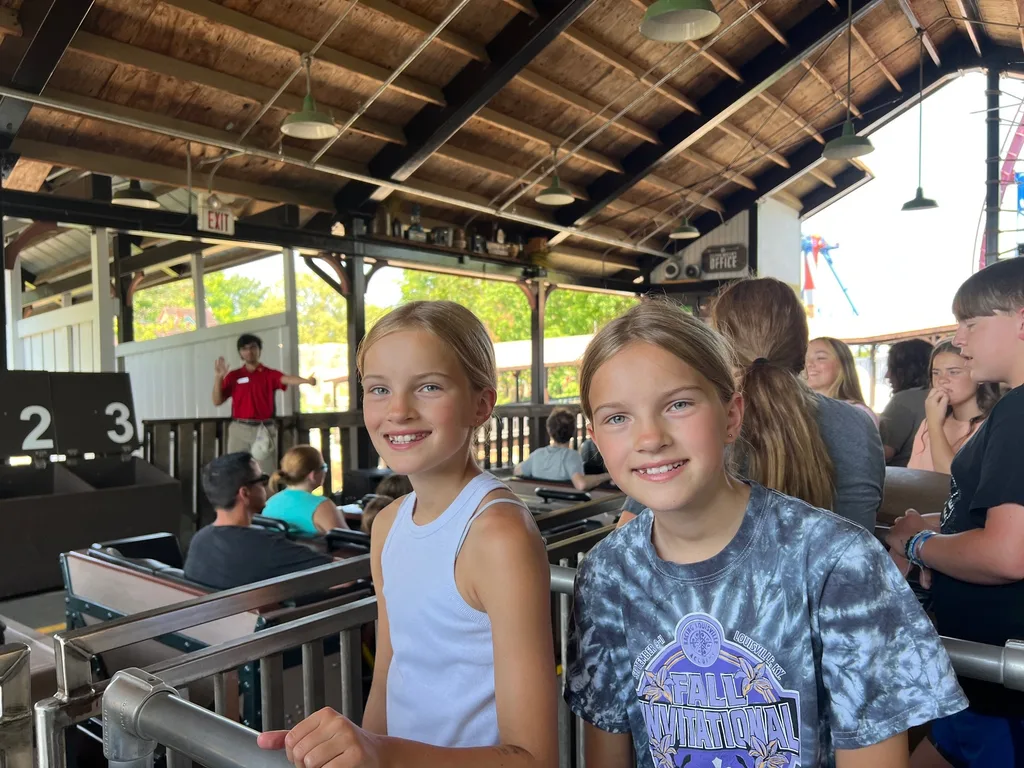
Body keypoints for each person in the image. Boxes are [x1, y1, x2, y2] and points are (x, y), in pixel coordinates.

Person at [566, 300, 966, 768]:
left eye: (678, 404)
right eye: (618, 418)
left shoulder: (839, 562)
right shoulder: (606, 574)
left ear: (732, 415)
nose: (650, 437)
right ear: (595, 436)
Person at [257, 301, 558, 768]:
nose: (398, 410)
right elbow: (390, 674)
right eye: (379, 389)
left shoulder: (498, 535)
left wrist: (381, 753)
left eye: (429, 387)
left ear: (481, 404)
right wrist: (360, 747)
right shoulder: (388, 523)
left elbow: (534, 757)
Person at [887, 258, 1024, 767]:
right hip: (985, 674)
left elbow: (1008, 553)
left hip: (1001, 677)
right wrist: (940, 528)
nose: (960, 341)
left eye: (971, 324)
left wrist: (916, 544)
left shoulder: (1018, 411)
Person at [184, 452, 332, 590]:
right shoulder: (266, 545)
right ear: (245, 493)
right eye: (262, 481)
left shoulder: (199, 540)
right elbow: (342, 577)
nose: (266, 487)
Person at [213, 333, 317, 469]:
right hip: (239, 428)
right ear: (240, 352)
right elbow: (217, 401)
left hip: (264, 429)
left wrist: (306, 381)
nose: (249, 351)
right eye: (244, 348)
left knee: (266, 472)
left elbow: (286, 379)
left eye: (253, 347)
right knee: (236, 470)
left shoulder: (269, 374)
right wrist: (218, 377)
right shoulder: (233, 376)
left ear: (259, 350)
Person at [906, 341, 1000, 474]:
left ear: (978, 376)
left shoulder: (993, 427)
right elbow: (913, 478)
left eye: (953, 372)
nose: (942, 380)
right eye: (936, 373)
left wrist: (935, 425)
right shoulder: (927, 425)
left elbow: (955, 481)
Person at [513, 407, 610, 491]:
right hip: (566, 507)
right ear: (573, 431)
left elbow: (517, 471)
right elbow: (581, 484)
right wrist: (607, 476)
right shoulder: (571, 456)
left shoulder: (537, 455)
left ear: (549, 430)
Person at [263, 446, 348, 535]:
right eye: (324, 467)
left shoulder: (270, 503)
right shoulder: (322, 506)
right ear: (312, 475)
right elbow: (351, 543)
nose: (326, 471)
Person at [879, 338, 933, 467]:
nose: (887, 375)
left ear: (908, 370)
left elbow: (884, 453)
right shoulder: (935, 396)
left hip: (899, 480)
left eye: (892, 368)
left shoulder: (904, 400)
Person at [805, 336, 879, 426]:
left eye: (820, 358)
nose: (809, 363)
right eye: (805, 358)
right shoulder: (799, 409)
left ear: (843, 365)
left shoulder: (858, 413)